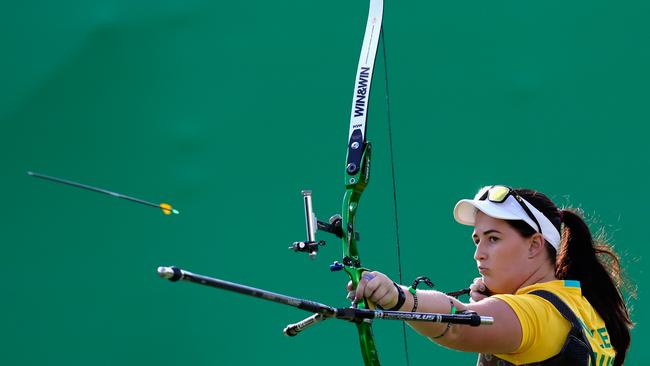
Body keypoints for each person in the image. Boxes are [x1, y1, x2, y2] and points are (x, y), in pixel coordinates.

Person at [349, 185, 632, 365]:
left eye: (493, 239)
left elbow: (458, 325)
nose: (479, 253)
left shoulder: (538, 311)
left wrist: (398, 298)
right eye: (477, 240)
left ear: (534, 244)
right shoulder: (579, 304)